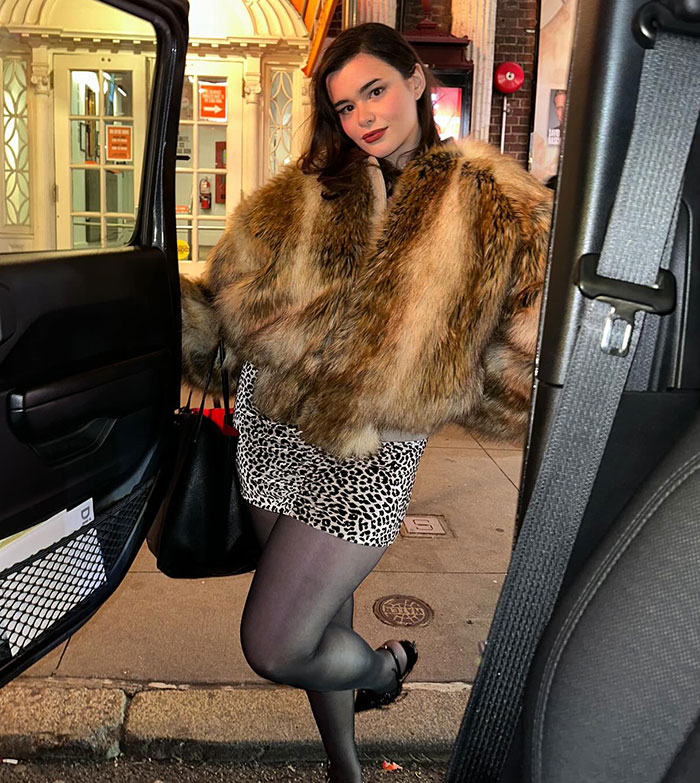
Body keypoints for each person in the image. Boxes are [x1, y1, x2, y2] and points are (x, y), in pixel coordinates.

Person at [180, 22, 551, 783]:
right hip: (272, 429)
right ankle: (345, 766)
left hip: (365, 453)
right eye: (345, 106)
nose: (362, 118)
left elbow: (529, 343)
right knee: (326, 614)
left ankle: (382, 673)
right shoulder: (312, 188)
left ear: (416, 79)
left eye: (374, 90)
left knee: (277, 642)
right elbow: (233, 301)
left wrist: (434, 382)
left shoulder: (484, 194)